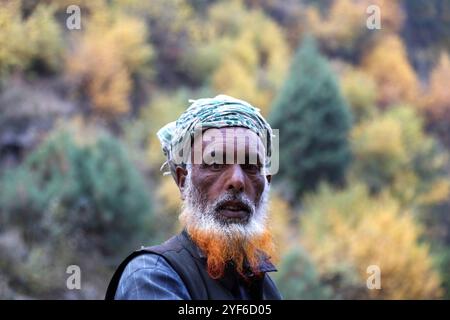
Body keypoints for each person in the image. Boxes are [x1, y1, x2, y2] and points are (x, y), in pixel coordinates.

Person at [106, 95, 282, 300]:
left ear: (266, 183)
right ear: (183, 181)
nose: (237, 181)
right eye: (216, 164)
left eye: (251, 166)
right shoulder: (151, 276)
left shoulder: (262, 284)